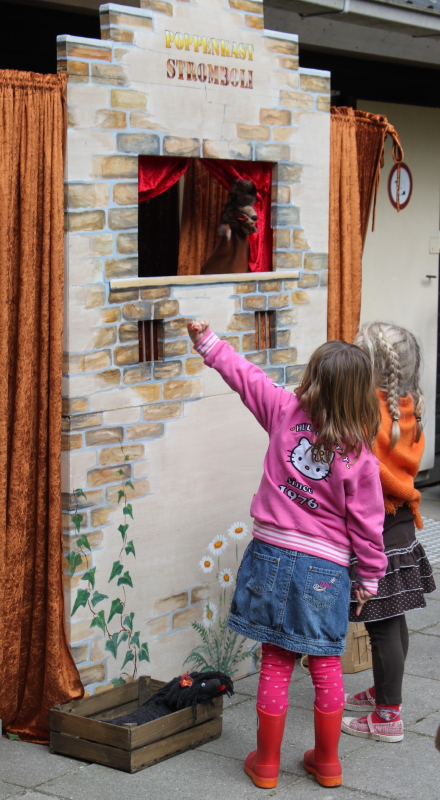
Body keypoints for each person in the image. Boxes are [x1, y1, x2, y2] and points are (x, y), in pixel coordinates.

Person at [187, 320, 387, 788]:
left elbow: (244, 376)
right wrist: (370, 578)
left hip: (270, 556)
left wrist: (208, 342)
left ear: (313, 379)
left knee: (276, 658)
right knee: (325, 661)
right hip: (326, 568)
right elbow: (368, 525)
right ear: (361, 395)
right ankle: (328, 762)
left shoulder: (283, 410)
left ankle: (268, 763)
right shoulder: (359, 457)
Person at [342, 322, 436, 743]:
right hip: (400, 527)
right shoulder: (408, 405)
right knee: (394, 622)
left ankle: (387, 718)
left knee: (380, 627)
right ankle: (386, 693)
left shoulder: (367, 413)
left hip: (375, 529)